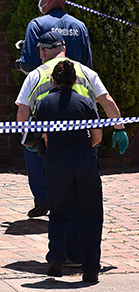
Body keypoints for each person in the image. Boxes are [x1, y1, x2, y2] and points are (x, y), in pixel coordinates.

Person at [16, 32, 128, 218]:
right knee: (84, 198)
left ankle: (60, 230)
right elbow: (106, 100)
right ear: (64, 49)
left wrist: (30, 141)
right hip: (84, 146)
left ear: (43, 51)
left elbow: (22, 114)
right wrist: (119, 128)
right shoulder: (85, 71)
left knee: (59, 200)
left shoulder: (35, 75)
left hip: (53, 148)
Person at [33, 60, 104, 283]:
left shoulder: (43, 104)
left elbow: (41, 135)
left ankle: (55, 257)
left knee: (59, 212)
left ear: (53, 80)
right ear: (74, 81)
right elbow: (97, 135)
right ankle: (91, 269)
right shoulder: (84, 103)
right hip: (84, 160)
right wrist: (84, 149)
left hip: (56, 162)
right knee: (90, 215)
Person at [16, 0, 92, 74]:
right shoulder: (80, 27)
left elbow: (28, 65)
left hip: (48, 86)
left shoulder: (37, 25)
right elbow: (88, 66)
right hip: (77, 87)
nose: (40, 0)